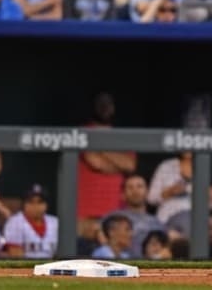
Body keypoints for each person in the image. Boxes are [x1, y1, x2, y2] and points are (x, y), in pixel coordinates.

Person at [77, 92, 137, 220]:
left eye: (108, 103)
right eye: (101, 103)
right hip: (87, 210)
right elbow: (97, 163)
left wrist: (101, 148)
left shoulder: (122, 136)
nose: (105, 107)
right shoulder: (84, 131)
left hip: (116, 210)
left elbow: (130, 165)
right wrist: (119, 165)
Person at [104, 174, 165, 258]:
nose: (135, 191)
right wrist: (96, 232)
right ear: (123, 195)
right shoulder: (112, 217)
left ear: (147, 193)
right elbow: (94, 231)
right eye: (130, 187)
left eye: (139, 186)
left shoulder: (157, 222)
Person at [3, 184, 58, 259]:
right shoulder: (15, 222)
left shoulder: (55, 222)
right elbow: (16, 256)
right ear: (24, 204)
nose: (35, 206)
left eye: (40, 202)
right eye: (31, 202)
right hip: (26, 268)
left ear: (46, 205)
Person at [147, 151, 192, 224]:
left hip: (192, 224)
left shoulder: (203, 167)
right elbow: (151, 199)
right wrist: (169, 192)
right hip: (166, 220)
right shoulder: (167, 166)